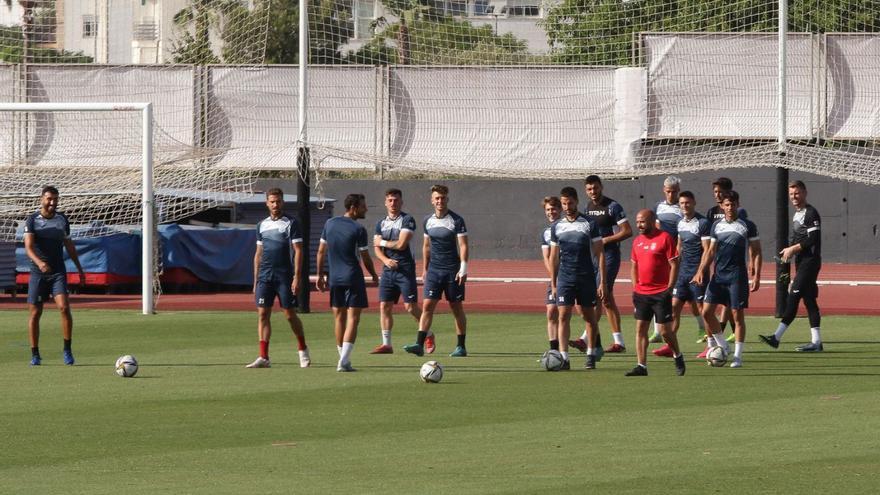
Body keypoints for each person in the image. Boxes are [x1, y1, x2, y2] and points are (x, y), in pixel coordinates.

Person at [694, 190, 762, 368]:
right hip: (718, 276)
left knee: (737, 316)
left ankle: (738, 357)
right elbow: (710, 251)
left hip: (737, 277)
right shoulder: (716, 225)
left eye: (732, 204)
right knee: (706, 312)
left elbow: (756, 251)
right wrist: (701, 270)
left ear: (738, 205)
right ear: (722, 206)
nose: (730, 208)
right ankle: (723, 344)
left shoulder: (747, 225)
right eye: (726, 205)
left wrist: (757, 275)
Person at [246, 188, 310, 369]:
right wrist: (255, 280)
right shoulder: (261, 225)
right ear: (267, 203)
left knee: (289, 315)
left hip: (284, 276)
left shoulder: (291, 223)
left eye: (278, 201)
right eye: (272, 201)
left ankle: (302, 349)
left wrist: (297, 277)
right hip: (265, 277)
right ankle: (263, 356)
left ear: (283, 202)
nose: (276, 205)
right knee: (262, 314)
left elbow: (298, 251)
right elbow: (258, 254)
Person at [404, 185, 469, 357]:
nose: (440, 201)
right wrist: (425, 269)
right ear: (432, 200)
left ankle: (461, 346)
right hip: (434, 271)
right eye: (437, 198)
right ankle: (419, 344)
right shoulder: (427, 220)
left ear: (447, 199)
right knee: (427, 306)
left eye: (443, 198)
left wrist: (463, 267)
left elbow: (463, 245)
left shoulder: (457, 220)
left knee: (456, 307)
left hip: (452, 271)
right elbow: (426, 246)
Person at [316, 193, 379, 372]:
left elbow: (321, 252)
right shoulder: (358, 229)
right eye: (363, 206)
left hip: (335, 278)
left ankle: (342, 359)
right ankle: (343, 360)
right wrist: (374, 274)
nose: (365, 209)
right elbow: (365, 257)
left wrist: (320, 275)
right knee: (353, 318)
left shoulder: (329, 224)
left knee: (339, 318)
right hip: (353, 277)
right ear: (353, 208)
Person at [23, 185, 85, 366]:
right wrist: (40, 263)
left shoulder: (62, 219)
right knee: (35, 313)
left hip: (57, 271)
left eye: (55, 199)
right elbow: (28, 247)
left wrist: (79, 269)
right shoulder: (32, 220)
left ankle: (67, 351)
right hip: (38, 272)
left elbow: (69, 245)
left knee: (64, 308)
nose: (52, 203)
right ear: (41, 199)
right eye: (49, 199)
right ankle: (35, 354)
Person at [570, 175, 631, 354]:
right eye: (589, 189)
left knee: (599, 295)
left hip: (610, 256)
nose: (593, 192)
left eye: (595, 188)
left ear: (601, 187)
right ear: (585, 191)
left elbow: (627, 231)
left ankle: (585, 339)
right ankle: (619, 342)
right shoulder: (586, 208)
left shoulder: (612, 207)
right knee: (607, 300)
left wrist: (605, 241)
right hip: (592, 258)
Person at [760, 180, 824, 352]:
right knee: (809, 300)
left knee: (793, 297)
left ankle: (776, 337)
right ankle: (817, 342)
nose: (794, 197)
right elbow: (799, 239)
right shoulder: (797, 214)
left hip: (810, 262)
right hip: (802, 262)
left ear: (804, 193)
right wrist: (786, 253)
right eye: (791, 194)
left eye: (797, 193)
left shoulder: (811, 213)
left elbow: (813, 239)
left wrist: (793, 248)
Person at [550, 187, 604, 370]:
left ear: (576, 201)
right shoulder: (556, 226)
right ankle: (564, 357)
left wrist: (602, 281)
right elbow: (553, 257)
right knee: (563, 315)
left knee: (589, 317)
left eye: (570, 203)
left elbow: (600, 254)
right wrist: (554, 283)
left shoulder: (589, 223)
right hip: (565, 278)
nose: (567, 207)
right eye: (564, 203)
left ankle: (590, 354)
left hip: (586, 277)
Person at [625, 209, 685, 376]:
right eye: (637, 222)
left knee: (665, 331)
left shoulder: (665, 238)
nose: (639, 225)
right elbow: (634, 266)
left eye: (642, 222)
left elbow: (674, 264)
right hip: (642, 293)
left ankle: (677, 355)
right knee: (641, 329)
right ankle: (641, 366)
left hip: (661, 293)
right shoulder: (637, 241)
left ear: (652, 221)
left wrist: (670, 288)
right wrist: (635, 286)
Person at [655, 191, 710, 358]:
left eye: (687, 203)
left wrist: (700, 271)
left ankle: (711, 345)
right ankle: (670, 345)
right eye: (682, 203)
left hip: (697, 273)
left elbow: (707, 250)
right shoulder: (680, 222)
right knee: (674, 308)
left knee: (703, 310)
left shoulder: (702, 223)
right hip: (682, 274)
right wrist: (673, 268)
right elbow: (679, 247)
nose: (684, 206)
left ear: (694, 203)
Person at [371, 188, 422, 354]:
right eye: (390, 200)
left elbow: (401, 244)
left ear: (402, 202)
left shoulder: (407, 220)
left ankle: (427, 333)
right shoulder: (381, 223)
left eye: (396, 200)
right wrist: (385, 260)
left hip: (405, 269)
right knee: (384, 306)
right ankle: (387, 344)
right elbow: (376, 248)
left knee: (410, 307)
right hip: (388, 271)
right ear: (385, 202)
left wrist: (383, 243)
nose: (393, 203)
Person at [706, 177, 749, 343]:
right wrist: (704, 266)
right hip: (719, 266)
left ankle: (722, 338)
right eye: (715, 192)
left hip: (735, 270)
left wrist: (753, 265)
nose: (717, 195)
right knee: (712, 307)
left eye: (720, 192)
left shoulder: (741, 216)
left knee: (731, 306)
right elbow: (711, 240)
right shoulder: (712, 214)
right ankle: (718, 341)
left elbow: (749, 240)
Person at [540, 196, 562, 351]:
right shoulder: (546, 233)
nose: (551, 212)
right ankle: (554, 349)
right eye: (548, 209)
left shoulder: (567, 227)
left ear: (560, 209)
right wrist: (553, 277)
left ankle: (595, 344)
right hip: (556, 278)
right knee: (551, 311)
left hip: (573, 275)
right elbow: (547, 257)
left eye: (553, 208)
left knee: (584, 312)